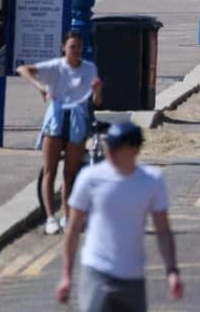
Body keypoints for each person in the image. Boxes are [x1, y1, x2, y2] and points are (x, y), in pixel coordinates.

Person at [57, 122, 182, 309]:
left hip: (133, 277)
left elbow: (163, 231)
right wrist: (66, 276)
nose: (110, 152)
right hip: (96, 272)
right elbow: (73, 228)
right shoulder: (90, 178)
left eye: (116, 147)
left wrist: (172, 271)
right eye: (109, 146)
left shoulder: (151, 181)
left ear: (134, 150)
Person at [17, 32, 102, 236]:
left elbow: (97, 102)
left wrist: (98, 91)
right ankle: (49, 218)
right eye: (72, 47)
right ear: (64, 47)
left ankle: (66, 214)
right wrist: (41, 87)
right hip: (56, 119)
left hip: (77, 122)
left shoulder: (89, 68)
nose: (76, 51)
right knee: (50, 171)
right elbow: (23, 69)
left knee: (70, 175)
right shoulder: (56, 66)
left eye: (79, 47)